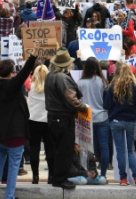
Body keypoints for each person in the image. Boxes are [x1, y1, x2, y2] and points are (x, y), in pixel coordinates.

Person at [0, 42, 39, 199]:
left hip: (0, 131)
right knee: (14, 164)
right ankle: (9, 195)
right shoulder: (12, 85)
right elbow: (24, 72)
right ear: (11, 73)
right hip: (16, 131)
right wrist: (34, 55)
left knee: (2, 151)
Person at [44, 48, 88, 190]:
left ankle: (55, 176)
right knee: (65, 148)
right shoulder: (62, 78)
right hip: (63, 117)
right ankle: (60, 179)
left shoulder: (51, 75)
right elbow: (71, 99)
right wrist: (83, 108)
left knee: (56, 148)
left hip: (53, 116)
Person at [103, 62, 136, 187]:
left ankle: (123, 179)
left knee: (120, 151)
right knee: (131, 150)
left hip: (115, 121)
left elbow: (105, 105)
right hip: (130, 120)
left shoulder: (111, 87)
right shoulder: (134, 87)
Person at [77, 57, 109, 180]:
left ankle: (86, 172)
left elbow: (78, 101)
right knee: (104, 147)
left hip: (85, 118)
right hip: (101, 116)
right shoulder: (103, 82)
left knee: (85, 148)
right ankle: (103, 174)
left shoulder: (80, 83)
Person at [27, 65, 54, 184]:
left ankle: (35, 176)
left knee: (34, 148)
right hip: (48, 120)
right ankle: (51, 176)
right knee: (50, 149)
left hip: (33, 120)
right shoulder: (51, 87)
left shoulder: (31, 87)